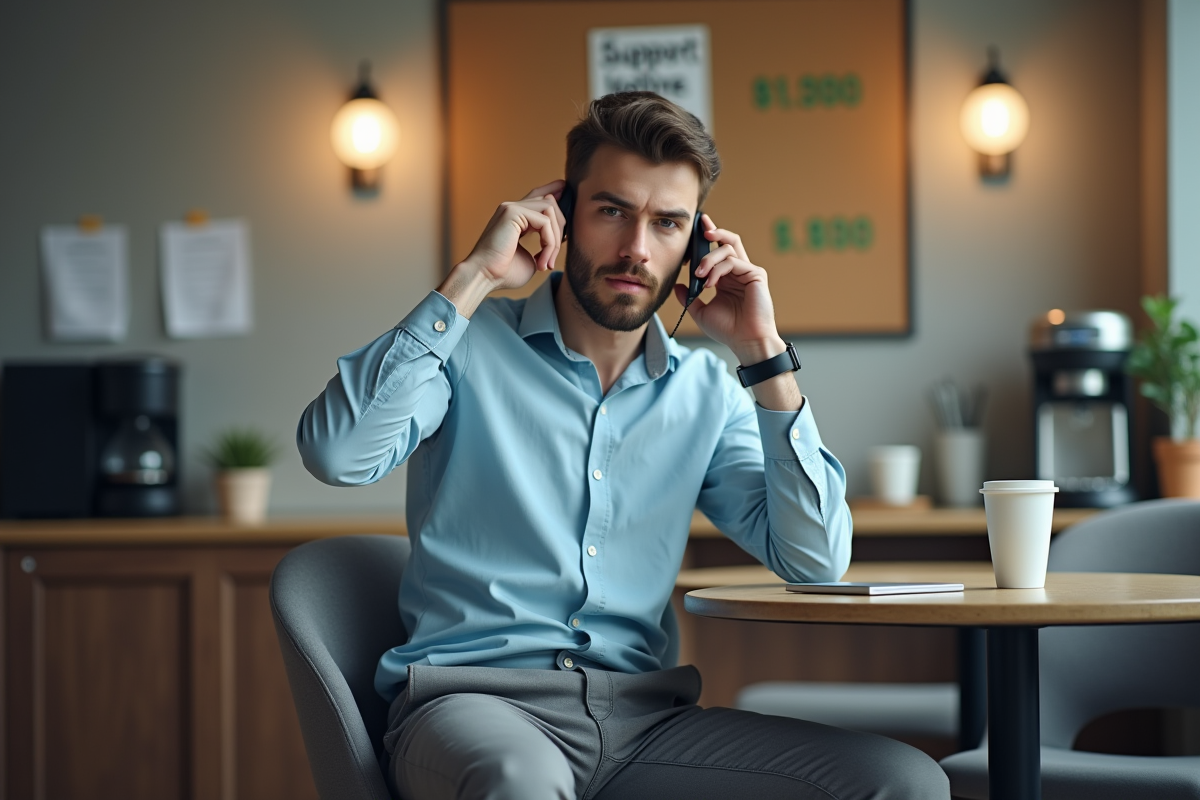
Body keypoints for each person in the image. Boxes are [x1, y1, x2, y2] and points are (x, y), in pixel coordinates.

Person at [298, 91, 949, 800]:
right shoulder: (464, 349)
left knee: (900, 782)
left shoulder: (706, 391)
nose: (638, 249)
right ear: (565, 214)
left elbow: (817, 561)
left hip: (645, 726)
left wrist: (762, 352)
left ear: (696, 244)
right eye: (612, 211)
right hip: (475, 710)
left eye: (667, 223)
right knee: (521, 781)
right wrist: (475, 277)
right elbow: (338, 453)